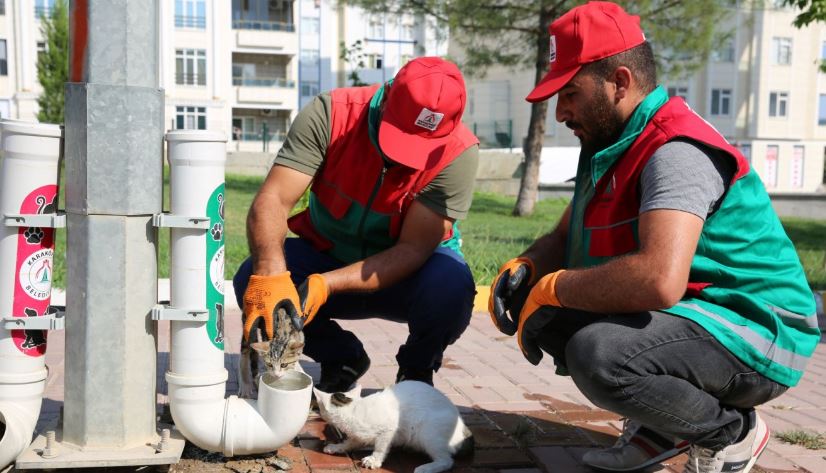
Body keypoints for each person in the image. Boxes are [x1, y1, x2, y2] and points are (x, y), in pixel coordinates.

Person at [487, 3, 820, 473]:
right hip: (702, 314)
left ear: (620, 82)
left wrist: (555, 288)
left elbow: (659, 280)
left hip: (759, 328)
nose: (559, 111)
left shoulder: (674, 150)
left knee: (598, 352)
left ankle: (730, 432)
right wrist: (526, 267)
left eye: (570, 93)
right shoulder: (611, 143)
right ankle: (662, 428)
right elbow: (565, 234)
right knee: (553, 315)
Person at [234, 57, 479, 393]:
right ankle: (342, 357)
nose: (402, 158)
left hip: (408, 273)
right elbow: (273, 199)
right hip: (327, 252)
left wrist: (327, 285)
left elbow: (413, 248)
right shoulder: (331, 115)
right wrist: (271, 274)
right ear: (388, 93)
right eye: (400, 136)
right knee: (252, 275)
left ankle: (416, 374)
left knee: (451, 288)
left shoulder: (458, 153)